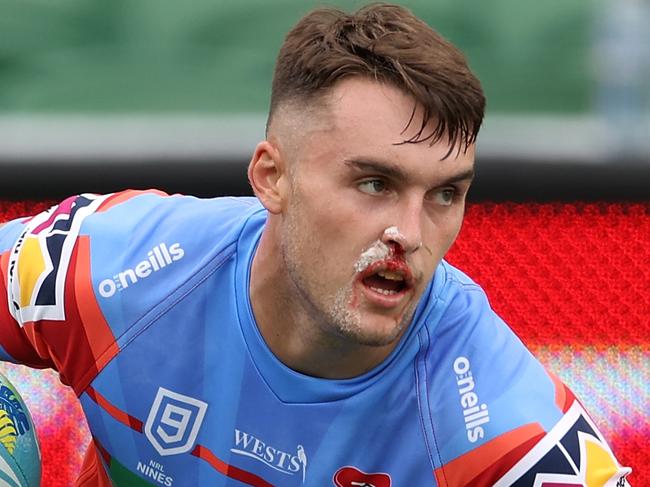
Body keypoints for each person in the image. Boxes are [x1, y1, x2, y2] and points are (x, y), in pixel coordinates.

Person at [0, 4, 632, 486]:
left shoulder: (502, 427)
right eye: (374, 183)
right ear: (272, 178)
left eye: (445, 194)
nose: (408, 234)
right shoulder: (107, 269)